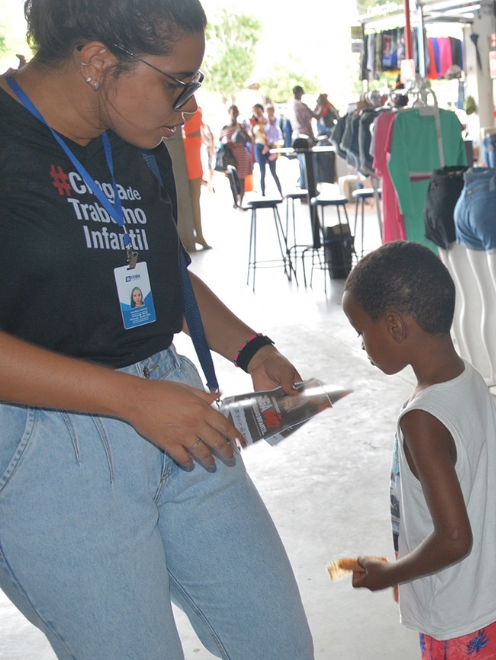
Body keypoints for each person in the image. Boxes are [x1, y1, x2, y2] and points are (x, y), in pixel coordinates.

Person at [0, 1, 313, 658]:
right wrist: (130, 400)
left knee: (277, 643)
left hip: (173, 406)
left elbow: (156, 273)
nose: (190, 105)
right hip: (48, 444)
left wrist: (250, 348)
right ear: (96, 61)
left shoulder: (131, 143)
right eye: (179, 83)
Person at [341, 241, 496, 660]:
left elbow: (455, 538)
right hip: (491, 592)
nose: (363, 346)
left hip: (459, 614)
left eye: (361, 332)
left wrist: (391, 574)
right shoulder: (467, 378)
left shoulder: (422, 421)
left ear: (394, 326)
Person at [181, 105, 210, 248]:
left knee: (196, 198)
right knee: (194, 198)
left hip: (194, 148)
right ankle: (198, 234)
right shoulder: (185, 104)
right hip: (191, 149)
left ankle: (198, 233)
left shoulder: (190, 102)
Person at [218, 103, 253, 207]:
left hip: (241, 155)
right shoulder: (225, 127)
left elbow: (250, 140)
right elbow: (220, 141)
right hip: (230, 156)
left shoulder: (241, 126)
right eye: (233, 112)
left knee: (241, 179)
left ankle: (240, 202)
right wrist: (227, 143)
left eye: (236, 111)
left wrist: (243, 131)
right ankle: (235, 200)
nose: (234, 114)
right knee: (232, 179)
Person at [250, 102, 282, 196]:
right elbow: (252, 138)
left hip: (270, 146)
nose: (257, 112)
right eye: (255, 111)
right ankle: (263, 194)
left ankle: (280, 192)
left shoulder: (268, 121)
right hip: (259, 147)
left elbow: (273, 132)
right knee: (262, 172)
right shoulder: (253, 123)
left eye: (258, 110)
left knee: (273, 172)